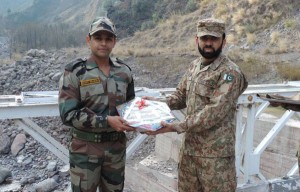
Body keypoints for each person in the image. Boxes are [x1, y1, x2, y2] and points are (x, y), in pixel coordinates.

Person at [144, 18, 248, 192]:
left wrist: (175, 126)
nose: (208, 43)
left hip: (215, 159)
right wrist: (156, 103)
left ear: (223, 41)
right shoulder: (194, 66)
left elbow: (214, 111)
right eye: (204, 38)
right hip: (189, 154)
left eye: (213, 39)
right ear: (196, 40)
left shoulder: (230, 72)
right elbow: (180, 96)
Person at [58, 17, 136, 192]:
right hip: (85, 150)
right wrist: (107, 121)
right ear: (89, 40)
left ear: (114, 41)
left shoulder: (124, 72)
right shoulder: (75, 72)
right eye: (98, 38)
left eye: (108, 39)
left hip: (116, 149)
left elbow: (131, 107)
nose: (103, 43)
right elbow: (68, 115)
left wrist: (139, 120)